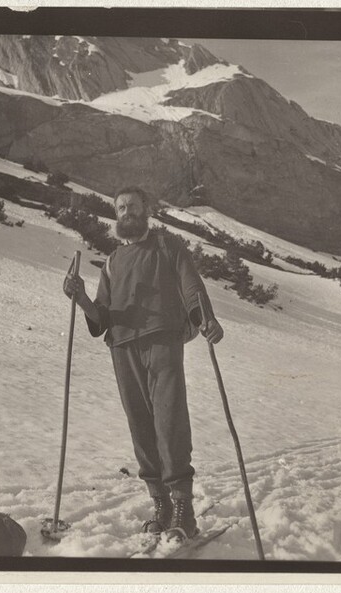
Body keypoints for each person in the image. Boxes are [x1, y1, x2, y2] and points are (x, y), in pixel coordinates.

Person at [62, 186, 224, 539]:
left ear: (146, 210)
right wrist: (81, 298)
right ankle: (161, 503)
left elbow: (192, 287)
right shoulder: (113, 261)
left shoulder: (169, 246)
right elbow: (101, 316)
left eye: (132, 206)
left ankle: (183, 507)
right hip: (121, 346)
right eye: (120, 208)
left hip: (162, 340)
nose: (126, 212)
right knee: (140, 427)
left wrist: (205, 318)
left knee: (169, 421)